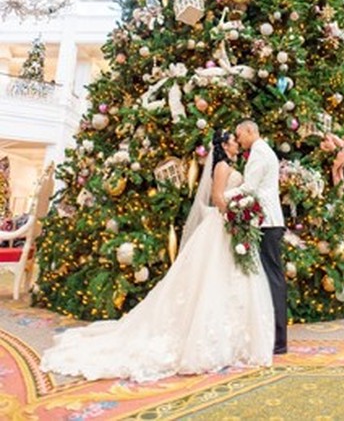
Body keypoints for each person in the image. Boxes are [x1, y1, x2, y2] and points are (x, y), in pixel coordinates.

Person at [41, 130, 273, 382]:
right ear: (225, 145)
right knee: (212, 279)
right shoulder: (221, 167)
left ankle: (231, 339)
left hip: (227, 228)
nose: (237, 143)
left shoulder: (229, 165)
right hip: (222, 225)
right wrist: (235, 215)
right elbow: (217, 198)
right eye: (233, 140)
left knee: (227, 279)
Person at [232, 120, 287, 355]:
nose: (238, 140)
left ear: (249, 131)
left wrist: (223, 198)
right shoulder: (262, 150)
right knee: (271, 275)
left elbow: (250, 188)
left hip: (267, 222)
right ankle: (275, 336)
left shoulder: (259, 152)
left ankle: (278, 339)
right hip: (269, 220)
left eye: (239, 135)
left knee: (272, 277)